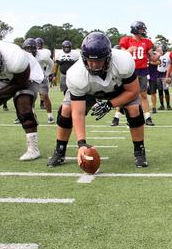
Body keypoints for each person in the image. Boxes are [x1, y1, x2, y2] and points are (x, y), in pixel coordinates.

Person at [47, 32, 148, 168]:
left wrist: (110, 105)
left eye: (99, 60)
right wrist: (81, 143)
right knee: (66, 109)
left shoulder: (123, 61)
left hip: (118, 90)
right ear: (83, 58)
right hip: (89, 92)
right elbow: (78, 113)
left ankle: (139, 151)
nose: (94, 65)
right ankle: (60, 151)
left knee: (134, 109)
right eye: (90, 60)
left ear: (108, 57)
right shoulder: (76, 74)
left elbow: (133, 91)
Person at [111, 21, 155, 126]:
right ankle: (116, 117)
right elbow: (120, 55)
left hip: (143, 70)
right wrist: (128, 50)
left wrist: (158, 54)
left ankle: (147, 117)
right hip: (129, 70)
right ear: (135, 29)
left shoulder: (147, 42)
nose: (142, 31)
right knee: (124, 94)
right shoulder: (126, 40)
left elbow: (152, 57)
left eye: (142, 29)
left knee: (143, 95)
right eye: (140, 29)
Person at [22, 38, 54, 123]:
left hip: (41, 78)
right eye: (27, 48)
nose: (29, 50)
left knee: (45, 96)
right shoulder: (23, 56)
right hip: (30, 78)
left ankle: (50, 116)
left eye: (31, 48)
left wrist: (47, 73)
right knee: (30, 98)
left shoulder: (42, 55)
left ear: (35, 48)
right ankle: (32, 115)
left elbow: (51, 63)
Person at [156, 45, 172, 110]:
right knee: (160, 90)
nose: (159, 50)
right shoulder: (157, 55)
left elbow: (170, 65)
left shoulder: (168, 55)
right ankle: (162, 105)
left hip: (165, 74)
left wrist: (168, 76)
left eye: (161, 49)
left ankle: (168, 105)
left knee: (166, 90)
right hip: (158, 74)